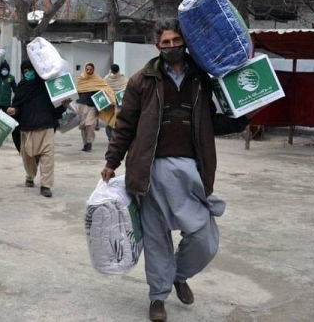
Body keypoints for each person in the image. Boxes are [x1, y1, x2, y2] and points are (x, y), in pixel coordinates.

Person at [101, 18, 254, 322]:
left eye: (176, 41)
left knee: (203, 237)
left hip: (191, 170)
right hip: (150, 169)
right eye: (165, 42)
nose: (172, 46)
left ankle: (178, 275)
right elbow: (126, 125)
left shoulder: (202, 78)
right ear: (157, 46)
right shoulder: (141, 80)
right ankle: (157, 297)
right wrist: (111, 161)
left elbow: (212, 122)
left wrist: (244, 117)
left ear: (185, 42)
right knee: (156, 238)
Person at [7, 60, 70, 198]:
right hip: (27, 128)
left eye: (30, 70)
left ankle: (46, 185)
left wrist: (63, 106)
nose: (28, 73)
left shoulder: (47, 87)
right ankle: (30, 175)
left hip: (46, 126)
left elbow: (55, 107)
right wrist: (14, 111)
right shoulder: (21, 88)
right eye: (25, 71)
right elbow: (18, 106)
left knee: (48, 157)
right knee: (28, 156)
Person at [75, 63, 116, 152]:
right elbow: (78, 91)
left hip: (92, 106)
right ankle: (85, 144)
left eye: (91, 69)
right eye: (88, 69)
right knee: (83, 126)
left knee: (89, 125)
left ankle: (89, 143)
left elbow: (106, 89)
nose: (89, 71)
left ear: (93, 70)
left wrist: (111, 99)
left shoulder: (97, 80)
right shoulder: (81, 78)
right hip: (81, 105)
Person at [103, 63, 128, 141]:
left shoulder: (106, 78)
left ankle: (113, 137)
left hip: (114, 103)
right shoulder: (124, 79)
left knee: (114, 121)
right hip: (114, 103)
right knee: (114, 121)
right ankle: (112, 137)